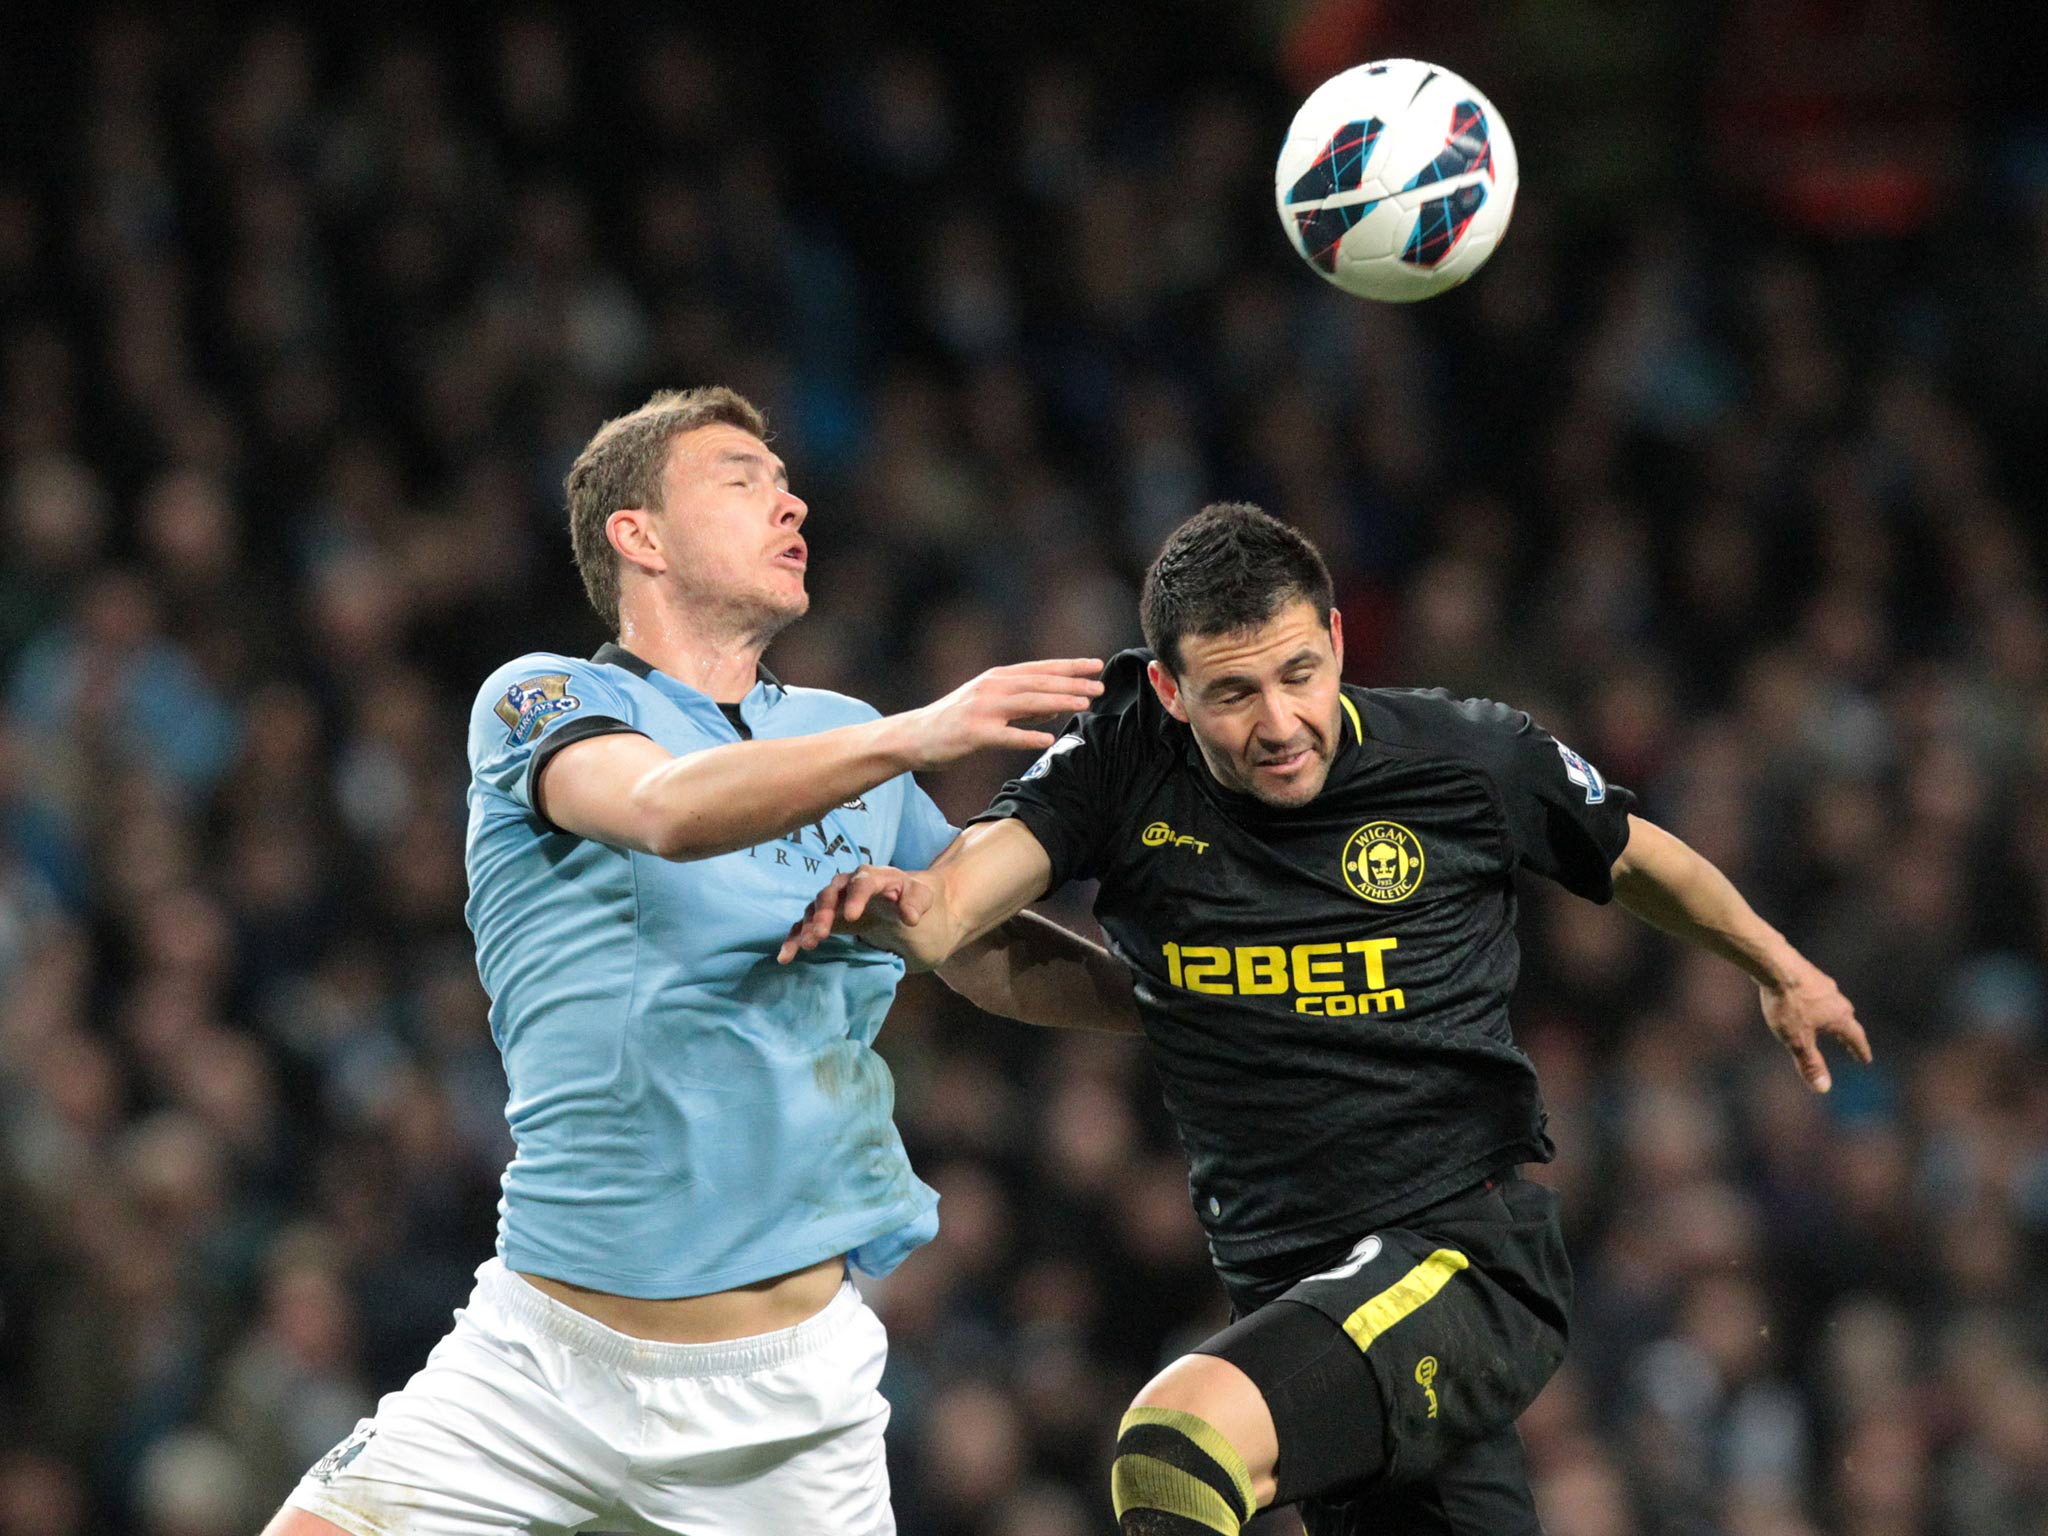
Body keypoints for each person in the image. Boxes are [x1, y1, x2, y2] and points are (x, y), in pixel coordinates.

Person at [779, 503, 1871, 1535]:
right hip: (1296, 1298)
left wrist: (1775, 964)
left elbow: (1636, 859)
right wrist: (909, 909)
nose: (1278, 722)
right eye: (1232, 692)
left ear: (1339, 642)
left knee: (1173, 1443)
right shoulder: (1117, 766)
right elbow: (959, 904)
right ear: (1166, 689)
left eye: (1298, 672)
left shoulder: (1462, 759)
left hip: (1461, 1263)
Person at [264, 386, 1136, 1536]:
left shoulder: (841, 734)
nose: (791, 502)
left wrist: (1186, 1006)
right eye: (742, 480)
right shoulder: (541, 699)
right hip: (540, 1363)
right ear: (639, 537)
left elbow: (966, 942)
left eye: (786, 483)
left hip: (785, 1403)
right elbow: (665, 808)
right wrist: (913, 733)